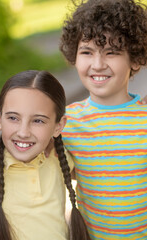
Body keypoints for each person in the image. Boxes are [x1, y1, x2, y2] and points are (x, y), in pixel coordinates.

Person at [59, 0, 147, 239]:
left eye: (112, 52)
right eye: (87, 52)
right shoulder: (67, 122)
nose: (97, 65)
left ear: (136, 59)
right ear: (74, 57)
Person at [0, 70, 90, 240]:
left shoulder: (59, 158)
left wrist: (139, 108)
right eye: (13, 118)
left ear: (58, 126)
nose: (23, 132)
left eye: (38, 121)